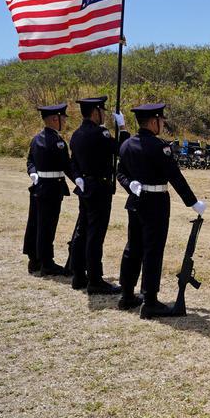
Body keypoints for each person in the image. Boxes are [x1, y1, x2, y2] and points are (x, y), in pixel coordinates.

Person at [116, 104, 206, 318]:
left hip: (136, 202)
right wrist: (192, 202)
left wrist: (130, 185)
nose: (163, 124)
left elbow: (120, 173)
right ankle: (150, 300)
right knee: (153, 250)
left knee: (133, 247)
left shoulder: (127, 145)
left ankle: (127, 294)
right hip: (155, 202)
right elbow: (175, 177)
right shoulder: (160, 147)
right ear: (154, 121)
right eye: (161, 121)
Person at [67, 96, 130, 294]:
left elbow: (73, 162)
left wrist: (78, 177)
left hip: (85, 187)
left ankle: (78, 275)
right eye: (102, 110)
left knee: (82, 230)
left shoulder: (76, 135)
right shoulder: (100, 133)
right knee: (95, 234)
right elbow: (122, 150)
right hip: (100, 189)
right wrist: (124, 128)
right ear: (96, 112)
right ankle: (94, 279)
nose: (104, 114)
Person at [23, 104, 78, 275]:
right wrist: (79, 180)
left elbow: (30, 161)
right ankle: (47, 263)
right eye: (63, 118)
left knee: (35, 224)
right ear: (55, 119)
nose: (64, 122)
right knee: (47, 226)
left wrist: (33, 174)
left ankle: (34, 260)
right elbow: (66, 166)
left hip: (39, 187)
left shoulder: (36, 138)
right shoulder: (58, 142)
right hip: (52, 187)